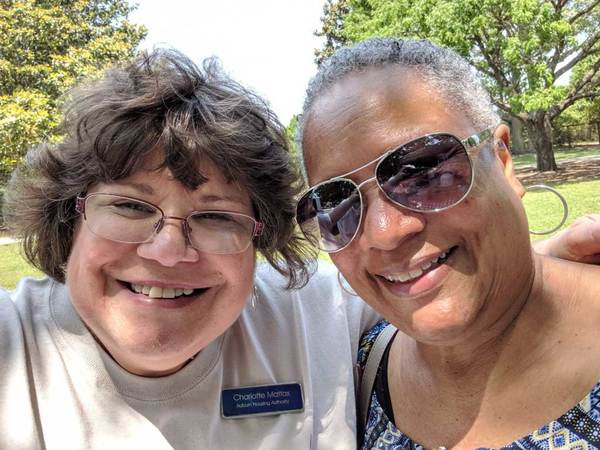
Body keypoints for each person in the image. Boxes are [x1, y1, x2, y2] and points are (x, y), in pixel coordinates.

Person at [0, 49, 380, 449]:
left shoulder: (330, 313)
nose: (167, 250)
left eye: (216, 217)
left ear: (259, 238)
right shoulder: (12, 347)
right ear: (68, 218)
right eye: (130, 206)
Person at [295, 37, 600, 448]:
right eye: (336, 204)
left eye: (424, 171)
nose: (384, 232)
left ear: (503, 162)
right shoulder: (357, 371)